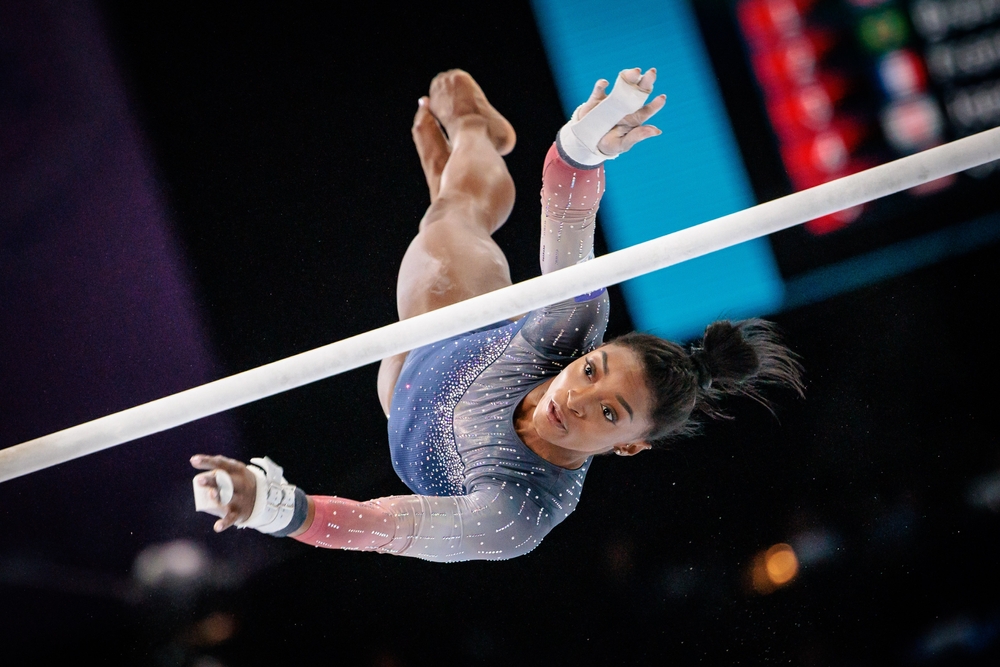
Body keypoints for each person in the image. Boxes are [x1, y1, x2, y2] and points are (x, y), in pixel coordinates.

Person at [190, 67, 803, 562]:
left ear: (631, 448)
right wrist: (587, 142)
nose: (576, 399)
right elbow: (566, 202)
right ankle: (475, 133)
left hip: (404, 398)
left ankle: (452, 180)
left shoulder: (518, 514)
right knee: (447, 228)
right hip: (458, 318)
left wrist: (271, 506)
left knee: (445, 220)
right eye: (591, 372)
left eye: (610, 413)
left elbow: (378, 525)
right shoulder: (573, 318)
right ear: (588, 351)